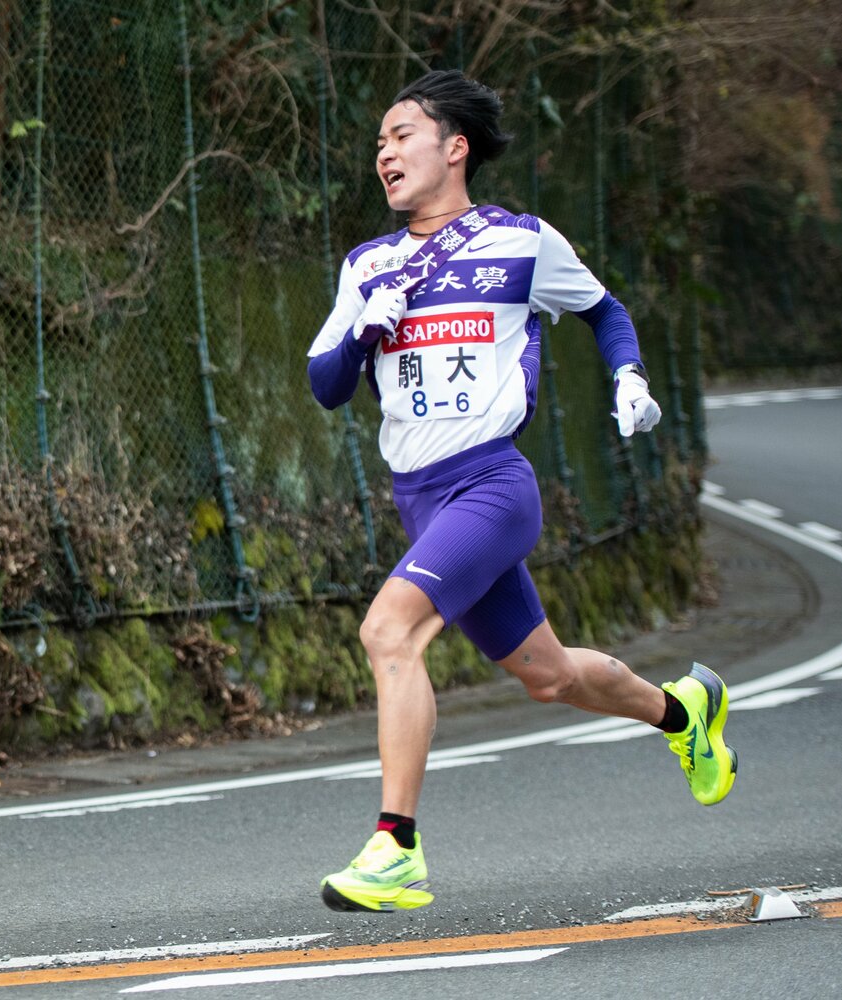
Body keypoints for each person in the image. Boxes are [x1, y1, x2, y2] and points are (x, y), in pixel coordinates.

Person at [306, 69, 737, 914]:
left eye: (402, 136)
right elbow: (326, 385)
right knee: (548, 677)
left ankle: (396, 847)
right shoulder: (369, 265)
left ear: (453, 147)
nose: (384, 153)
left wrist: (627, 378)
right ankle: (685, 713)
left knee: (389, 631)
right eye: (379, 144)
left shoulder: (521, 242)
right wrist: (363, 332)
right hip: (420, 497)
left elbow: (605, 310)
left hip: (492, 487)